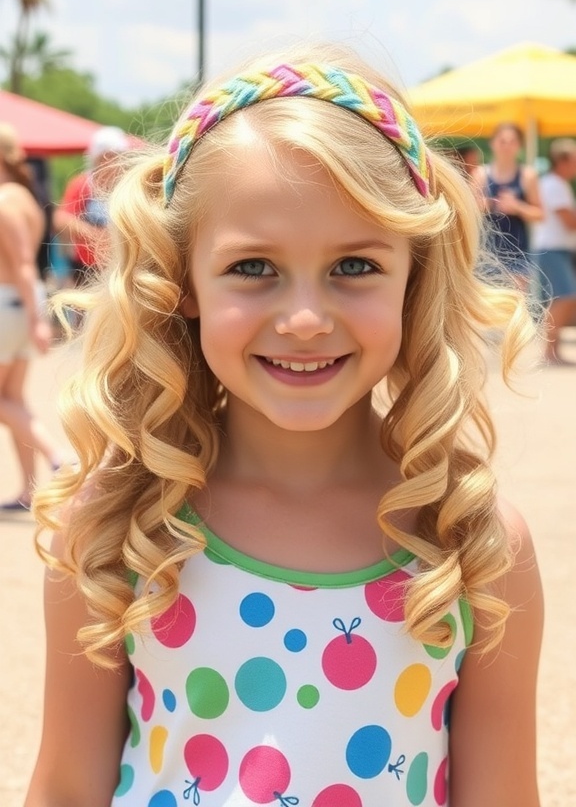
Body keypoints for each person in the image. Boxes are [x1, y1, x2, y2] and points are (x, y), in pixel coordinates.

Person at [26, 46, 543, 807]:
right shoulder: (114, 525)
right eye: (253, 268)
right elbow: (67, 787)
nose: (305, 319)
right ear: (183, 279)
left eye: (356, 267)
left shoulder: (471, 541)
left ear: (415, 277)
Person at [0, 124, 66, 511]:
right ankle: (28, 490)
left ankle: (58, 456)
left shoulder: (6, 201)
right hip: (21, 305)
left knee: (4, 401)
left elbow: (23, 263)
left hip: (9, 305)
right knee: (14, 401)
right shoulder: (25, 198)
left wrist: (38, 320)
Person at [53, 125, 130, 285]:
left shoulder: (128, 186)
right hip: (87, 268)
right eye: (105, 157)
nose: (110, 162)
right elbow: (60, 218)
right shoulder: (83, 184)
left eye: (115, 156)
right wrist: (91, 234)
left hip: (121, 265)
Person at [473, 122, 543, 287]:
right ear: (493, 143)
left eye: (512, 141)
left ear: (519, 146)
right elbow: (469, 210)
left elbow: (540, 214)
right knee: (488, 307)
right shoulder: (481, 174)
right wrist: (491, 204)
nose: (506, 146)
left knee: (515, 305)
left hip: (518, 254)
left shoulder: (527, 176)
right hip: (485, 253)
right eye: (502, 141)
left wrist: (517, 207)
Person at [532, 138, 576, 365]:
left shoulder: (556, 184)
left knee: (561, 298)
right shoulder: (554, 185)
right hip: (552, 249)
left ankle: (552, 351)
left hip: (554, 249)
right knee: (566, 297)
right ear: (562, 160)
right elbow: (569, 221)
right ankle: (549, 352)